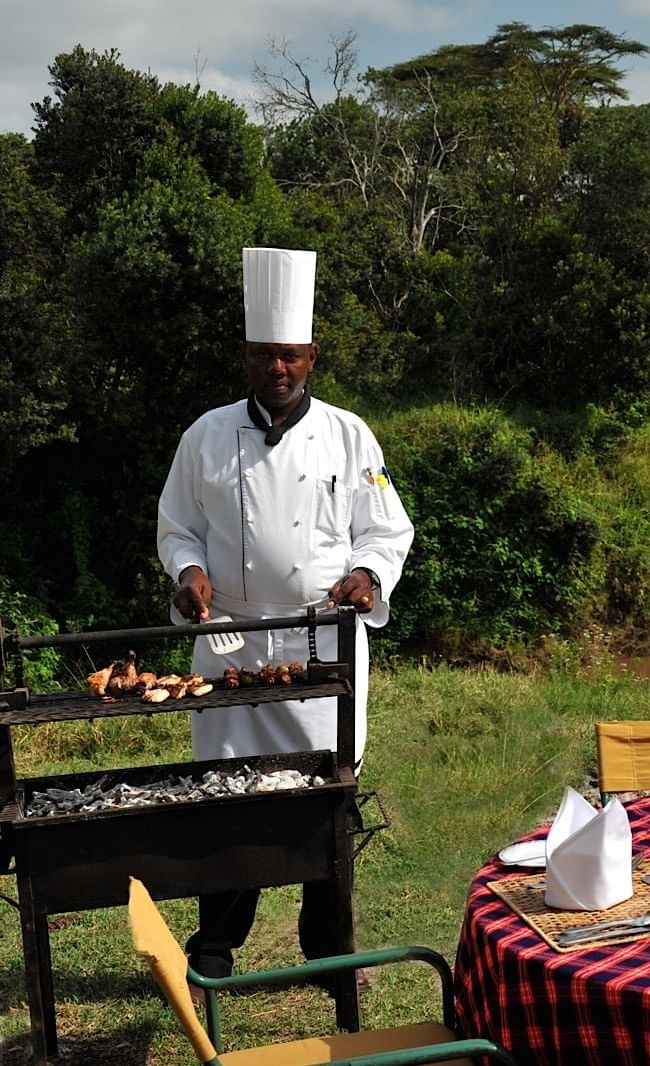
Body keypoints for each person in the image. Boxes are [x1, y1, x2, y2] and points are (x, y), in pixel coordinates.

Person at [156, 247, 414, 984]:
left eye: (292, 355)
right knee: (226, 797)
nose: (280, 367)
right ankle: (215, 944)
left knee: (324, 798)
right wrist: (189, 573)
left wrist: (366, 574)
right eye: (267, 354)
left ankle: (329, 951)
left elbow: (387, 529)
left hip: (318, 636)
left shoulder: (349, 435)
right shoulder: (203, 436)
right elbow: (176, 526)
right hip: (231, 641)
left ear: (312, 357)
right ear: (247, 355)